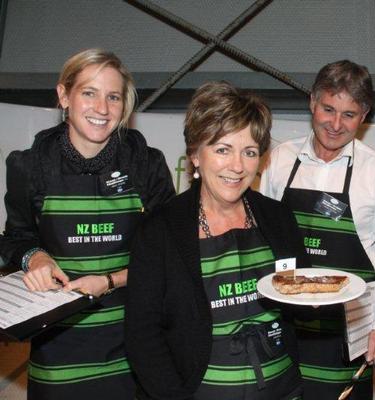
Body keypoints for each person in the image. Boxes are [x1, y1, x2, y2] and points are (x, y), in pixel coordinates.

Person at [0, 48, 175, 399]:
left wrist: (109, 281)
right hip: (57, 349)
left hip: (134, 341)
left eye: (113, 97)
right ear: (64, 95)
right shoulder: (28, 166)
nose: (102, 108)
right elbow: (15, 238)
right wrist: (37, 259)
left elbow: (168, 256)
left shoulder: (147, 165)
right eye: (89, 93)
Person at [125, 81, 309, 400]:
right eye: (223, 149)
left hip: (282, 390)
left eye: (249, 152)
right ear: (195, 154)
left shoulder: (278, 218)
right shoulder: (160, 231)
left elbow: (300, 298)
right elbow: (143, 337)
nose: (237, 167)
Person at [260, 60, 375, 399]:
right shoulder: (278, 160)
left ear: (364, 116)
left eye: (349, 114)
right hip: (284, 328)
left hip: (350, 334)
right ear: (312, 101)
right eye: (328, 109)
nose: (335, 124)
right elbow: (264, 244)